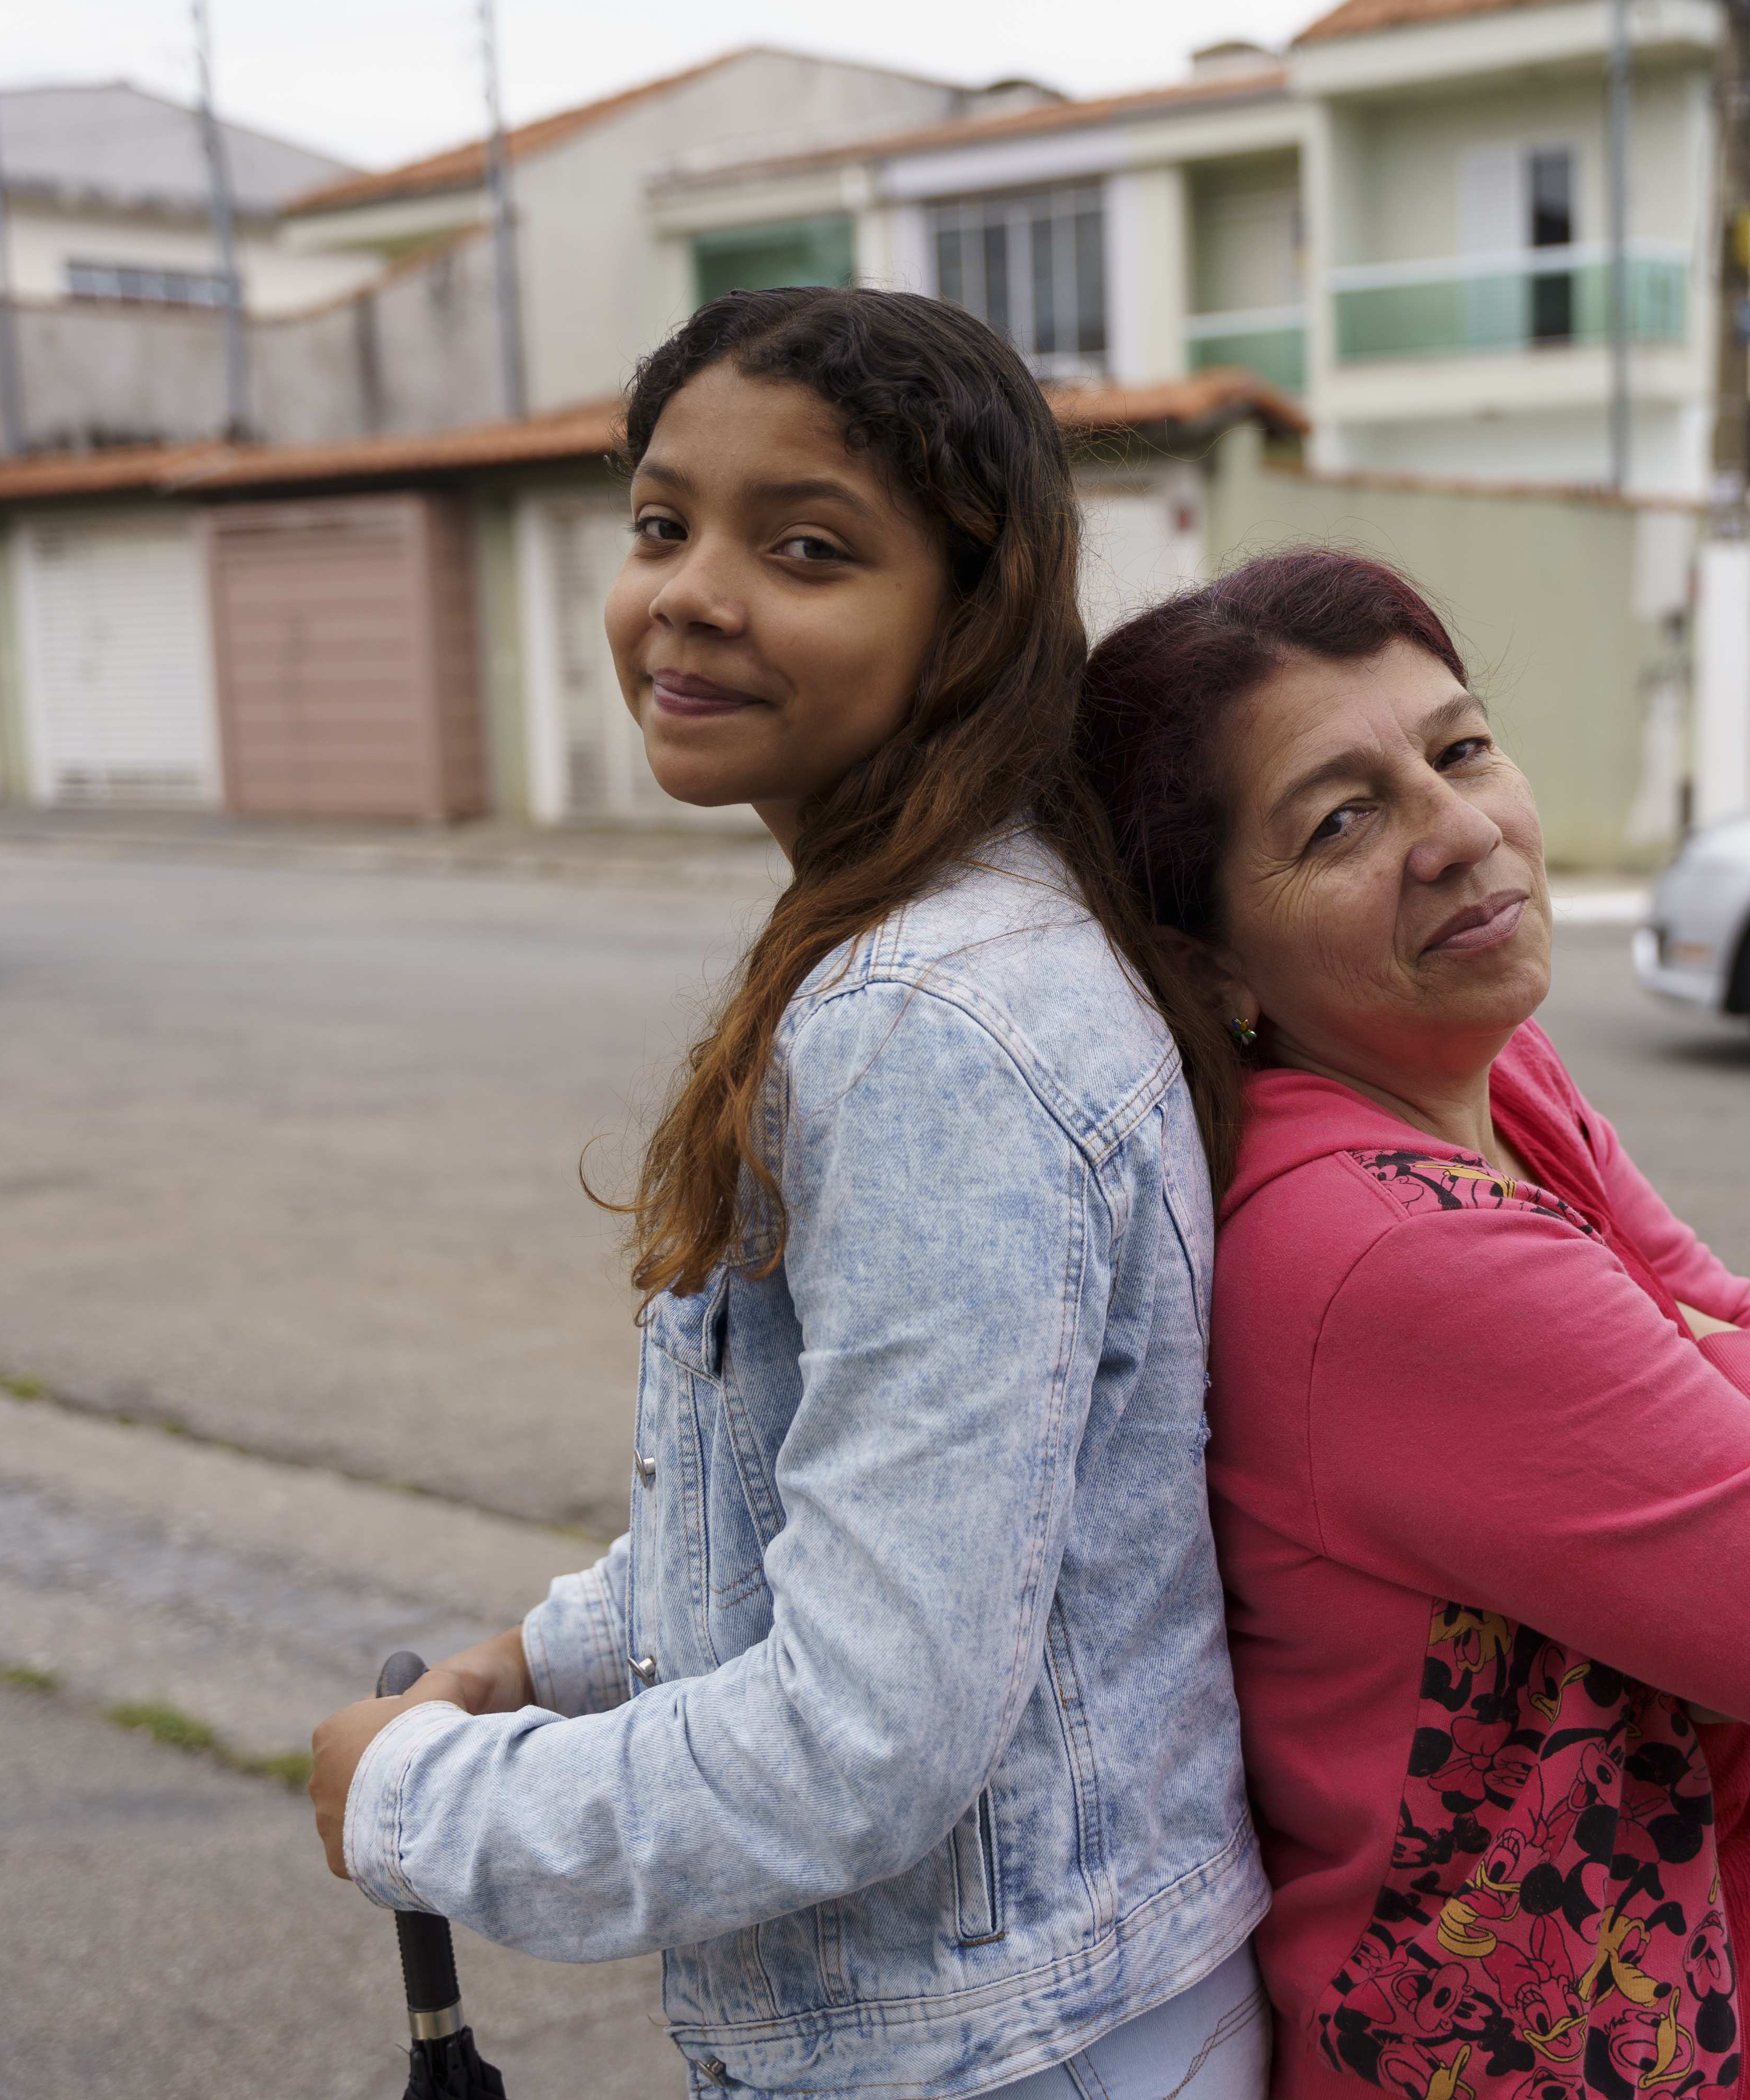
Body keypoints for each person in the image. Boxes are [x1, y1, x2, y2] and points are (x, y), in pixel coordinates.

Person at [305, 288, 1269, 2100]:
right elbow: (867, 1514)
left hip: (1002, 2053)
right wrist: (542, 1652)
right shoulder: (948, 944)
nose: (690, 592)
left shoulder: (930, 1018)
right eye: (662, 524)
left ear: (969, 618)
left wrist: (416, 1802)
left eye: (807, 548)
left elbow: (872, 1737)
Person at [1075, 551, 1750, 2100]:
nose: (1464, 833)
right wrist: (1713, 1342)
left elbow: (1714, 1314)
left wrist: (1690, 1330)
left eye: (1462, 748)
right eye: (1341, 820)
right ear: (1206, 954)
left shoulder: (1493, 1078)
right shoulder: (1393, 1255)